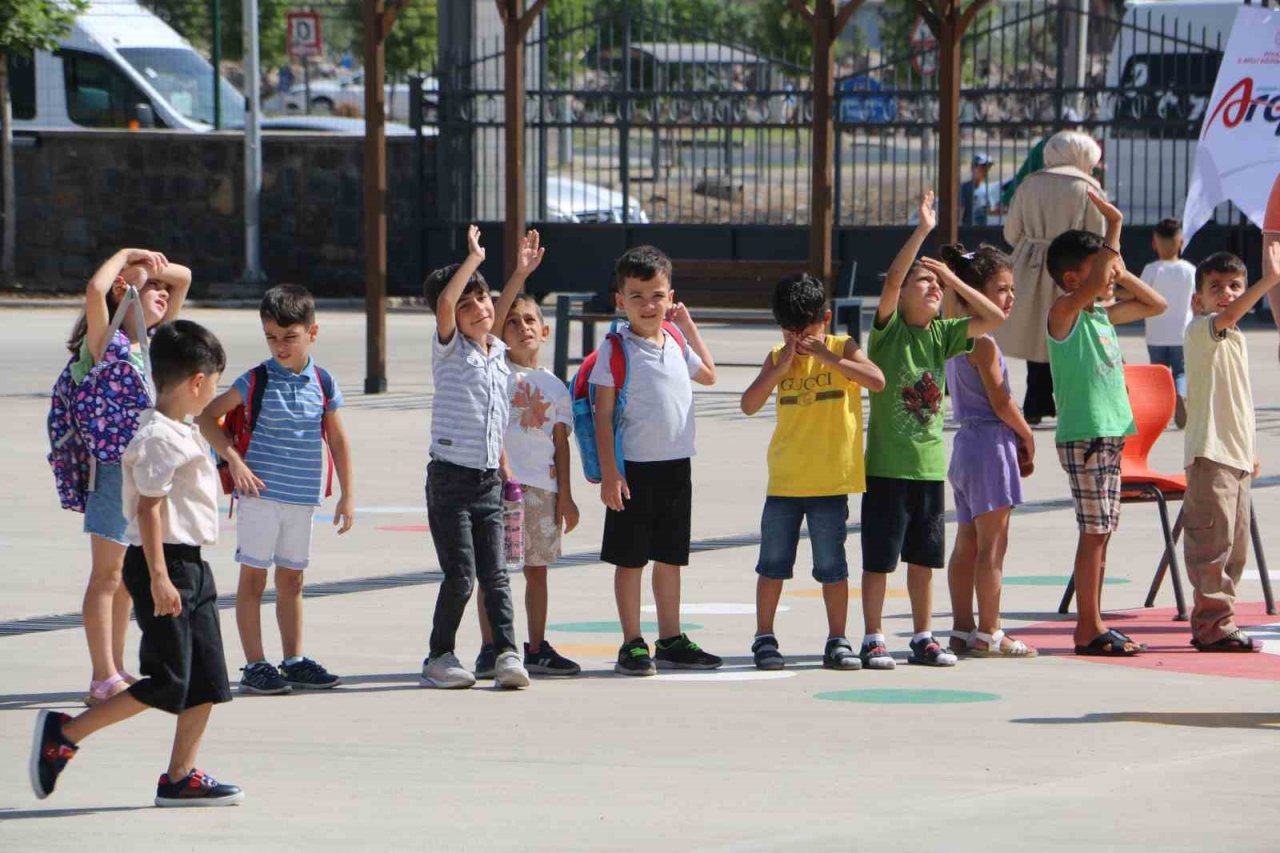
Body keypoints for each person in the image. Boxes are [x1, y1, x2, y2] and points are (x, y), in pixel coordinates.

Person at [31, 320, 244, 807]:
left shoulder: (181, 429)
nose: (215, 390)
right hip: (163, 565)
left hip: (191, 564)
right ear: (196, 382)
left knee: (208, 679)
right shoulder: (156, 437)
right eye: (215, 381)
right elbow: (149, 509)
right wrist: (159, 578)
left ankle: (180, 777)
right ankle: (63, 735)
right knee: (169, 681)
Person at [860, 192, 1006, 669]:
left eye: (936, 285)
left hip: (926, 470)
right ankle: (874, 635)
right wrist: (922, 232)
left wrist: (948, 276)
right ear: (901, 295)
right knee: (880, 560)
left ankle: (923, 636)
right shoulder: (889, 332)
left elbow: (995, 317)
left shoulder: (942, 336)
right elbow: (896, 278)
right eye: (922, 283)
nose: (932, 289)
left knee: (923, 561)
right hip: (886, 468)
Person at [197, 285, 355, 695]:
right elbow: (207, 418)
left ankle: (294, 659)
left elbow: (337, 440)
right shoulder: (254, 380)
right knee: (253, 579)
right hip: (260, 497)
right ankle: (255, 664)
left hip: (302, 499)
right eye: (272, 337)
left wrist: (347, 494)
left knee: (293, 581)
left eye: (290, 337)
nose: (280, 346)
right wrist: (234, 460)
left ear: (312, 333)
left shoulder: (323, 381)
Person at [739, 273, 885, 671]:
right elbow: (748, 404)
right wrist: (777, 369)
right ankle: (764, 637)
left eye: (806, 330)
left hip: (830, 482)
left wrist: (828, 357)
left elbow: (878, 380)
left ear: (825, 317)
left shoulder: (842, 347)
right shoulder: (777, 357)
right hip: (785, 482)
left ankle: (837, 638)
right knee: (772, 563)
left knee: (831, 566)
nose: (798, 339)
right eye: (789, 331)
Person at [66, 249, 191, 706]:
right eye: (152, 288)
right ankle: (102, 676)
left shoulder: (156, 343)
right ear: (127, 292)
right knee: (107, 574)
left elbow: (185, 276)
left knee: (125, 581)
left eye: (162, 290)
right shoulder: (107, 343)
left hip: (145, 472)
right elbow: (95, 290)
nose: (163, 293)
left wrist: (148, 267)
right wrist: (125, 259)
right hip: (112, 472)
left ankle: (116, 667)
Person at [1046, 192, 1167, 656]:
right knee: (1093, 531)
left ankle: (1093, 621)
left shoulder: (1099, 315)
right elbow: (1095, 281)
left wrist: (1117, 270)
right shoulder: (1065, 313)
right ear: (1075, 278)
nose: (1111, 277)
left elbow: (1155, 305)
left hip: (1110, 434)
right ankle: (1087, 627)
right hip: (1087, 436)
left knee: (1103, 530)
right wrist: (1113, 228)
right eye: (1101, 271)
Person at [592, 246, 721, 676]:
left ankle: (670, 637)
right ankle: (632, 642)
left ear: (671, 297)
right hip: (634, 471)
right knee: (630, 560)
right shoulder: (615, 350)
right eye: (637, 296)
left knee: (670, 557)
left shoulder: (676, 340)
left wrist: (687, 325)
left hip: (675, 466)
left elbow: (709, 373)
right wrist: (610, 473)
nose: (648, 306)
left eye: (657, 296)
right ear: (620, 300)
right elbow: (604, 415)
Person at [420, 226, 529, 690]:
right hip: (450, 481)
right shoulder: (450, 350)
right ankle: (439, 656)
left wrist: (520, 273)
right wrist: (473, 259)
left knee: (497, 576)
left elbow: (500, 310)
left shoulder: (496, 351)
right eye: (467, 306)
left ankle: (506, 653)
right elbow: (447, 305)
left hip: (487, 481)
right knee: (461, 575)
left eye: (482, 299)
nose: (479, 310)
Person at [472, 231, 583, 678]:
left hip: (542, 489)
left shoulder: (556, 386)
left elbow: (561, 444)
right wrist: (519, 275)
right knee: (493, 572)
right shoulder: (497, 368)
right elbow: (496, 317)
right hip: (499, 484)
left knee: (537, 572)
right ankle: (490, 646)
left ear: (546, 329)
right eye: (512, 322)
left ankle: (535, 645)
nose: (521, 327)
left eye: (530, 320)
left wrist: (567, 497)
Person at [939, 245, 1037, 658]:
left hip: (964, 445)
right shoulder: (984, 345)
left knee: (967, 543)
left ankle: (962, 627)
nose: (1009, 298)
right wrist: (1027, 435)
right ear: (975, 294)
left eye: (1011, 289)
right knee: (993, 547)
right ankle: (991, 629)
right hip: (991, 443)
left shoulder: (950, 334)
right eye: (1000, 290)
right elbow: (1001, 401)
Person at [1181, 248, 1280, 651]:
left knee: (1235, 548)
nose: (1227, 293)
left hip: (1235, 456)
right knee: (1212, 546)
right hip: (1211, 456)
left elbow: (1237, 403)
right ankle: (1211, 626)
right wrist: (1269, 280)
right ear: (1197, 300)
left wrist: (1251, 451)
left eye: (1235, 286)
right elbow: (1227, 316)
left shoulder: (1235, 339)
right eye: (1216, 287)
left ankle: (1223, 618)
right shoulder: (1202, 329)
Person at [997, 131, 1107, 425]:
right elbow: (1099, 236)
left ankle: (1035, 401)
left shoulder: (1030, 183)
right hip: (1073, 267)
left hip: (1031, 264)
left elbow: (1011, 233)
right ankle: (1068, 402)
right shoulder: (1088, 188)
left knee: (1037, 334)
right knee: (1070, 335)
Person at [1139, 218, 1197, 429]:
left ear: (1155, 244)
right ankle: (1180, 395)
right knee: (1180, 372)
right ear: (1181, 242)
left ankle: (1161, 412)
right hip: (1181, 333)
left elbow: (1140, 293)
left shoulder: (1152, 269)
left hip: (1156, 333)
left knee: (1158, 373)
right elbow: (1196, 299)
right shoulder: (1190, 270)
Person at [960, 153, 994, 227]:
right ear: (973, 168)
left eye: (987, 168)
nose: (985, 171)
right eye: (982, 167)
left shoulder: (987, 188)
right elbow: (960, 210)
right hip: (968, 231)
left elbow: (989, 210)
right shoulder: (964, 187)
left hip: (983, 231)